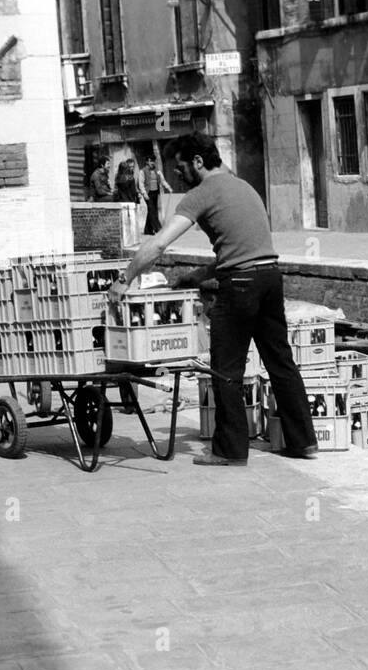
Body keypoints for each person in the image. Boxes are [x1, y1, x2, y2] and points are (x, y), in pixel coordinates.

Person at [108, 133, 317, 466]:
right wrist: (199, 276)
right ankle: (303, 443)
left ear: (198, 163)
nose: (176, 175)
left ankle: (230, 451)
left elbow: (160, 244)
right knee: (281, 362)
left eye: (180, 168)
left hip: (241, 284)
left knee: (226, 368)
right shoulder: (243, 186)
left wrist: (124, 279)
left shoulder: (200, 194)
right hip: (270, 277)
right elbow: (244, 246)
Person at [141, 156, 173, 235]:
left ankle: (147, 230)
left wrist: (168, 187)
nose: (153, 163)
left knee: (152, 210)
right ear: (147, 162)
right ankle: (158, 229)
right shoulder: (142, 171)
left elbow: (162, 180)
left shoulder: (157, 171)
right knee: (152, 210)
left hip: (155, 193)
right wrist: (144, 193)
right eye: (151, 161)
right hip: (148, 193)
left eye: (153, 161)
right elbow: (141, 184)